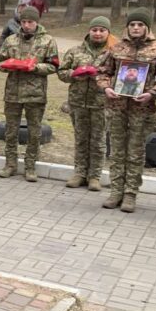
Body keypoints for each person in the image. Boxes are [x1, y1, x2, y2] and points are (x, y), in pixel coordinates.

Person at [97, 9, 156, 212]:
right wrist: (106, 88)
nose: (136, 28)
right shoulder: (116, 48)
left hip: (142, 108)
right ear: (127, 27)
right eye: (132, 24)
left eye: (140, 25)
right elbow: (103, 72)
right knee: (117, 150)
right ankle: (116, 192)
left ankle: (130, 194)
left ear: (147, 27)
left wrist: (152, 93)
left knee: (135, 152)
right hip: (117, 107)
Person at [0, 6, 59, 182]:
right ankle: (10, 164)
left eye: (30, 22)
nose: (26, 25)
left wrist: (35, 67)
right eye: (23, 22)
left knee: (34, 132)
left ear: (37, 22)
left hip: (35, 93)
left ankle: (30, 166)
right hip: (13, 92)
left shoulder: (47, 41)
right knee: (10, 131)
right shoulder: (10, 40)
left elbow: (54, 66)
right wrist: (9, 65)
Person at [58, 16, 111, 191]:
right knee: (81, 139)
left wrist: (100, 77)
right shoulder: (75, 51)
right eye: (94, 30)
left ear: (108, 33)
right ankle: (80, 173)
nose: (98, 33)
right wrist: (74, 74)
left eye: (102, 30)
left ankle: (94, 176)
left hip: (101, 104)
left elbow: (120, 77)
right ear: (89, 31)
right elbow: (62, 72)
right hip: (78, 103)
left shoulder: (113, 53)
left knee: (98, 141)